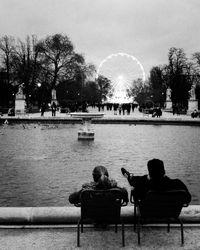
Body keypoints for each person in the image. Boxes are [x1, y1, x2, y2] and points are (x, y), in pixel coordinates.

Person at [121, 158, 191, 203]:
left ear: (150, 173)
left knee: (137, 181)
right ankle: (130, 177)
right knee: (140, 180)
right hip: (171, 213)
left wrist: (134, 189)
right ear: (164, 171)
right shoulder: (178, 184)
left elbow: (135, 199)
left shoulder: (143, 186)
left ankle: (129, 177)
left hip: (147, 213)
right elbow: (188, 199)